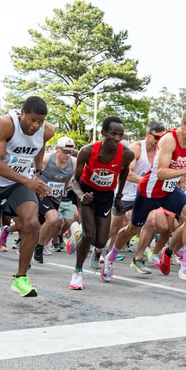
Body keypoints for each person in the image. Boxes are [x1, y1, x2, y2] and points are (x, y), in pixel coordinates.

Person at [105, 108, 186, 283]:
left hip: (168, 191)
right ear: (182, 125)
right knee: (133, 229)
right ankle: (110, 257)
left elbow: (181, 164)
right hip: (149, 192)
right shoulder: (168, 140)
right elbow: (161, 172)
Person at [0, 96, 54, 297]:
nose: (35, 126)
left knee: (32, 223)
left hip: (18, 184)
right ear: (22, 112)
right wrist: (28, 181)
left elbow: (39, 146)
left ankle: (21, 278)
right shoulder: (6, 124)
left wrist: (37, 172)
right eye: (32, 120)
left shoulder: (47, 130)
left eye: (40, 121)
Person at [69, 116, 134, 290]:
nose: (117, 138)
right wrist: (81, 195)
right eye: (113, 134)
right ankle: (77, 272)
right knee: (89, 235)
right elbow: (74, 181)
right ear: (103, 133)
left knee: (100, 242)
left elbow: (124, 172)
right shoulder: (88, 151)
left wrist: (119, 196)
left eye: (120, 135)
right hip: (87, 193)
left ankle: (77, 234)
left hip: (106, 196)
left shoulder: (126, 154)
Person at [34, 136, 77, 263]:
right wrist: (38, 181)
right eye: (65, 151)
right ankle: (39, 247)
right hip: (42, 194)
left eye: (70, 152)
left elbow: (78, 176)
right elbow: (32, 169)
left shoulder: (73, 162)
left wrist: (72, 182)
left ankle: (35, 245)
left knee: (46, 224)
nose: (67, 155)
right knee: (53, 218)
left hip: (57, 197)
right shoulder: (47, 159)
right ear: (57, 149)